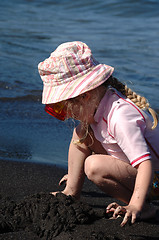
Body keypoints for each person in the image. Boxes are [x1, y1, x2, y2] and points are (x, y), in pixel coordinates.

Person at [38, 41, 159, 227]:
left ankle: (144, 207)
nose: (67, 114)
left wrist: (135, 205)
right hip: (140, 172)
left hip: (154, 179)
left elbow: (145, 164)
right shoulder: (101, 105)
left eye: (63, 107)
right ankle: (71, 192)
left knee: (94, 166)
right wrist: (74, 175)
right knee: (81, 134)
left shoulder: (120, 117)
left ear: (85, 96)